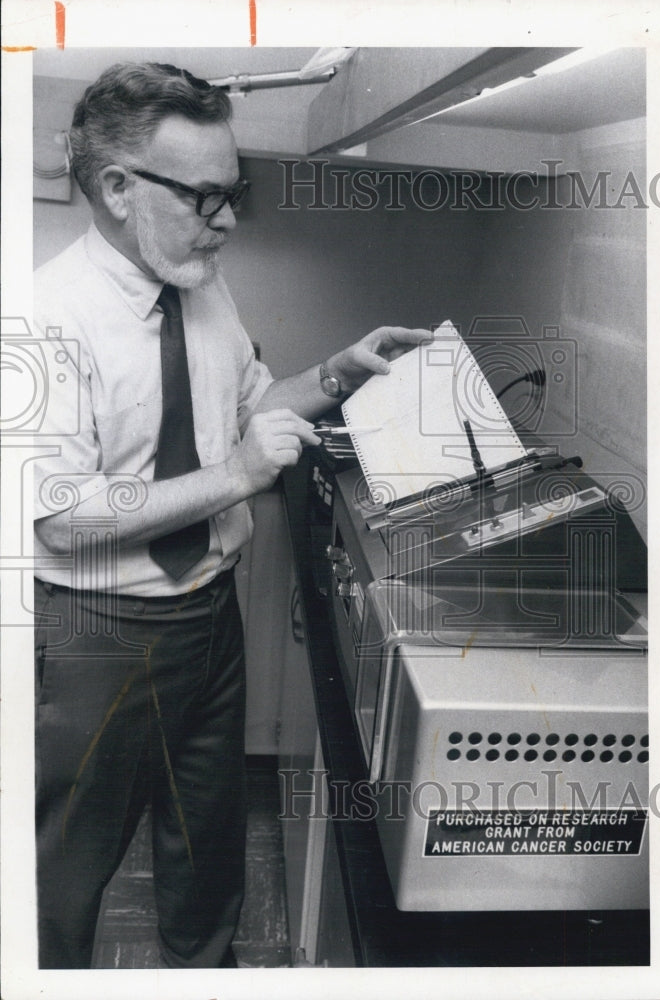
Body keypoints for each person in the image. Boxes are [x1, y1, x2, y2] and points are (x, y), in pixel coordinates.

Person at [32, 61, 430, 969]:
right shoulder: (42, 320)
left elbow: (251, 404)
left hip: (210, 617)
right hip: (99, 633)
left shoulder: (203, 282)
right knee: (62, 876)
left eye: (233, 193)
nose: (229, 220)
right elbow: (63, 518)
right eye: (207, 197)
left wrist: (339, 371)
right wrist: (237, 477)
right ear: (121, 189)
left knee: (207, 856)